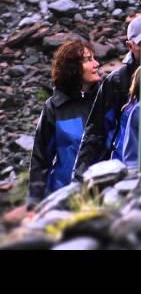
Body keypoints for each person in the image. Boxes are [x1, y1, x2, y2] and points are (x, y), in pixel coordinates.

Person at [28, 40, 101, 206]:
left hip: (105, 194)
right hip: (65, 197)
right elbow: (41, 160)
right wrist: (34, 202)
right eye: (88, 60)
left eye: (94, 58)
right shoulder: (54, 107)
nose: (96, 64)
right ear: (73, 69)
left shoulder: (106, 99)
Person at [72, 15, 141, 179]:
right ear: (130, 46)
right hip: (126, 166)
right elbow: (96, 131)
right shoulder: (117, 81)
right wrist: (79, 177)